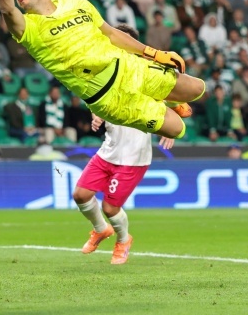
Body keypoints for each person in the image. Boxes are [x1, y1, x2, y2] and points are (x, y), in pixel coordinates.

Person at [0, 0, 204, 139]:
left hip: (128, 67)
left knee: (197, 88)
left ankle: (164, 97)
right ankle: (162, 103)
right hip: (108, 98)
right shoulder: (27, 28)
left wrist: (154, 53)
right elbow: (6, 8)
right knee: (178, 129)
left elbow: (111, 33)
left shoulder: (73, 0)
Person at [72, 24, 175, 265]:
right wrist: (97, 113)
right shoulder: (107, 68)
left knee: (110, 208)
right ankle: (100, 230)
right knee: (80, 194)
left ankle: (123, 239)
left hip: (133, 157)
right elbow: (97, 99)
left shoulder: (147, 72)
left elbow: (174, 98)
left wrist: (171, 127)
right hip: (109, 149)